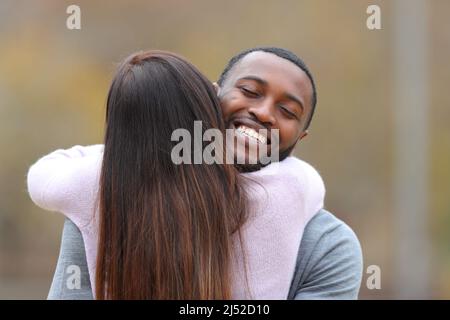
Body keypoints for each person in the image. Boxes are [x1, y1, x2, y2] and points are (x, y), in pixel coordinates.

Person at [27, 49, 328, 299]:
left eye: (288, 112)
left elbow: (46, 178)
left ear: (300, 139)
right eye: (249, 91)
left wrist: (123, 154)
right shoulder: (101, 203)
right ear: (212, 96)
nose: (263, 113)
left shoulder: (326, 243)